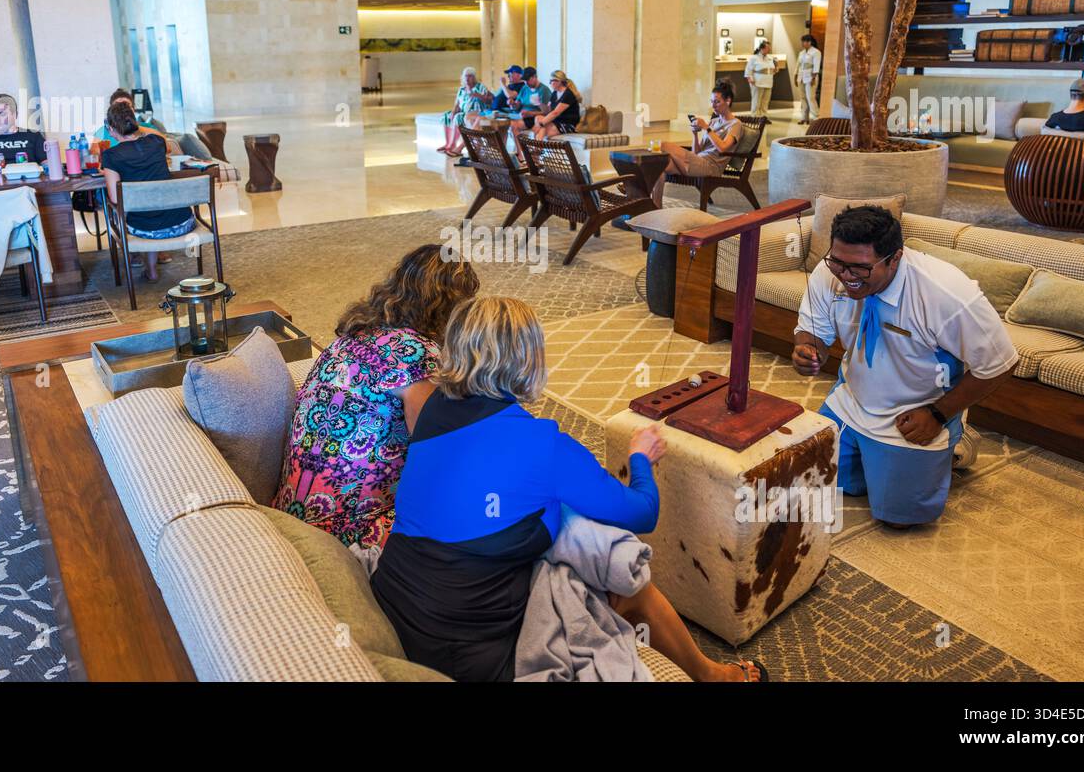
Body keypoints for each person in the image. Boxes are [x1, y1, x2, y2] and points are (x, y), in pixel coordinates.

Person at [370, 296, 765, 683]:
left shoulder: (435, 407)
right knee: (618, 564)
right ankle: (715, 676)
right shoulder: (543, 445)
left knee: (555, 519)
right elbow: (643, 512)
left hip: (401, 606)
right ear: (527, 360)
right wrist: (640, 457)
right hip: (470, 654)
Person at [792, 206, 1018, 529]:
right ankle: (876, 461)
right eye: (838, 263)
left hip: (913, 414)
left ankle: (956, 438)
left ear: (895, 258)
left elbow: (1002, 363)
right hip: (851, 400)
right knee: (815, 479)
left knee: (898, 518)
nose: (845, 276)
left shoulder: (944, 291)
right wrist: (808, 348)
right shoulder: (832, 273)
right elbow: (813, 331)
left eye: (860, 268)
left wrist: (938, 414)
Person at [276, 245, 481, 547]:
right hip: (349, 532)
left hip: (292, 513)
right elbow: (435, 447)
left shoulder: (351, 336)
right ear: (451, 307)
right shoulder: (417, 356)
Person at [100, 102, 194, 282]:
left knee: (146, 217)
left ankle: (150, 270)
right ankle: (151, 270)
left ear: (111, 129)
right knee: (152, 211)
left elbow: (115, 198)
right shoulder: (156, 143)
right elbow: (161, 138)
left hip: (146, 231)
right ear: (134, 123)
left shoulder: (111, 156)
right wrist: (137, 126)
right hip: (183, 223)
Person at [651, 79, 741, 208]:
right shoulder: (714, 122)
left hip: (711, 166)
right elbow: (696, 153)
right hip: (698, 161)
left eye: (717, 102)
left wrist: (706, 128)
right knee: (656, 165)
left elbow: (723, 148)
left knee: (663, 145)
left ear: (728, 101)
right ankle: (655, 207)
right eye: (712, 102)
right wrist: (695, 134)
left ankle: (636, 188)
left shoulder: (735, 124)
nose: (713, 105)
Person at [93, 89, 188, 158]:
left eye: (126, 106)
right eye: (118, 106)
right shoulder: (103, 131)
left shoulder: (148, 128)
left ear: (133, 109)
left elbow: (166, 148)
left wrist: (135, 127)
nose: (123, 110)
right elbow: (93, 155)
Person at [440, 67, 493, 157]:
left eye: (470, 76)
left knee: (459, 117)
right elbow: (457, 104)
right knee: (447, 115)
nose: (467, 79)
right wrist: (453, 112)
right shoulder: (461, 89)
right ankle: (449, 144)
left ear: (474, 77)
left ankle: (456, 146)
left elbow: (489, 101)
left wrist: (478, 95)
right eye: (466, 76)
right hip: (465, 111)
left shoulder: (480, 87)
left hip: (477, 112)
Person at [529, 70, 582, 140]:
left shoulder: (568, 94)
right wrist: (538, 103)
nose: (550, 83)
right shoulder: (554, 93)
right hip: (557, 122)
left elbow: (555, 113)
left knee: (542, 128)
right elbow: (548, 111)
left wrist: (541, 124)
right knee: (538, 118)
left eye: (551, 81)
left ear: (559, 81)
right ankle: (536, 147)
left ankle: (535, 148)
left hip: (568, 124)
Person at [745, 40, 777, 116]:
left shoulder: (770, 58)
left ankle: (763, 117)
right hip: (757, 82)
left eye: (769, 48)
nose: (769, 49)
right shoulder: (754, 58)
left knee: (765, 101)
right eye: (767, 48)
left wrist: (775, 68)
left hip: (768, 82)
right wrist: (750, 79)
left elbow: (772, 69)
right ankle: (755, 116)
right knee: (756, 101)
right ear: (761, 49)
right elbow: (748, 70)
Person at [796, 34, 822, 125]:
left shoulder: (816, 52)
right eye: (802, 41)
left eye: (804, 41)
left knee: (810, 97)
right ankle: (804, 117)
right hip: (801, 77)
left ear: (809, 42)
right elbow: (798, 65)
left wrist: (813, 78)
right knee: (803, 98)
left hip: (811, 77)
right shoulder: (801, 53)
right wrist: (796, 76)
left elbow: (816, 66)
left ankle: (816, 118)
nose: (803, 43)